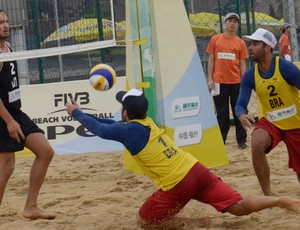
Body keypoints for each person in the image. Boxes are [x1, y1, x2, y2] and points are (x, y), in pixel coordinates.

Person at [66, 88, 300, 229]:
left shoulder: (127, 131)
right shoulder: (147, 123)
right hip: (196, 169)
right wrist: (83, 113)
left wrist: (75, 113)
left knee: (144, 222)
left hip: (177, 183)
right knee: (237, 207)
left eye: (121, 107)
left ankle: (196, 224)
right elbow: (108, 123)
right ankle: (281, 201)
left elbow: (100, 129)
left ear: (126, 112)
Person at [0, 9, 55, 220]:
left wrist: (14, 117)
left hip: (15, 111)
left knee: (45, 151)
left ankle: (30, 207)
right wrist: (9, 121)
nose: (5, 25)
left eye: (6, 21)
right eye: (0, 22)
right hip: (4, 116)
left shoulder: (9, 48)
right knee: (6, 168)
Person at [235, 28, 300, 196]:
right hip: (272, 122)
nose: (250, 48)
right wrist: (242, 114)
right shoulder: (250, 75)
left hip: (296, 124)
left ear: (267, 48)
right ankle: (268, 196)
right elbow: (240, 103)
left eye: (255, 44)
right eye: (250, 44)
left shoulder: (285, 68)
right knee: (256, 143)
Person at [206, 12, 248, 150]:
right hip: (219, 82)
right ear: (225, 23)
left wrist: (244, 81)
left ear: (237, 25)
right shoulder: (215, 39)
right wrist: (210, 78)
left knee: (239, 112)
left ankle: (241, 141)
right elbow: (211, 59)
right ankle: (221, 141)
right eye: (230, 20)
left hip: (236, 82)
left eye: (235, 21)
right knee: (222, 114)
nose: (232, 23)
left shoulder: (240, 43)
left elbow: (242, 63)